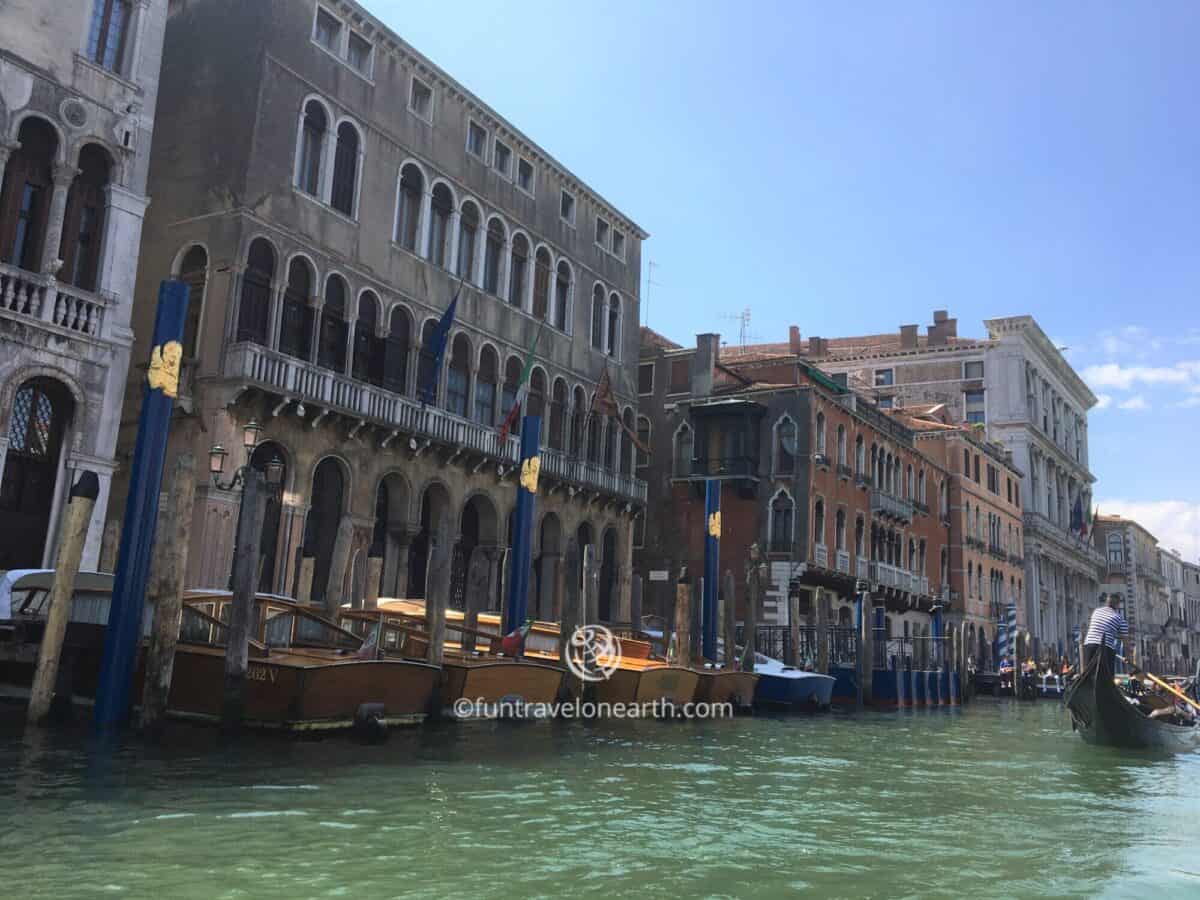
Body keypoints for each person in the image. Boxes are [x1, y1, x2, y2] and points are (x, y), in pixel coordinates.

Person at [1083, 595, 1129, 670]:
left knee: (1088, 671)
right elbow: (1126, 643)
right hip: (1106, 648)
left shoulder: (1096, 612)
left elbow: (1102, 627)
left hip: (1089, 645)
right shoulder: (1120, 619)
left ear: (1106, 603)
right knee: (1108, 676)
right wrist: (1128, 658)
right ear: (1118, 605)